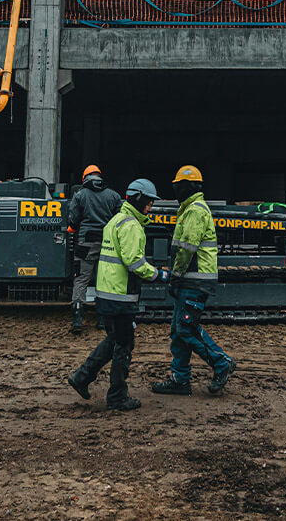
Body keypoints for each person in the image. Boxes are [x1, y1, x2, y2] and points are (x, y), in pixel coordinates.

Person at [66, 178, 169, 411]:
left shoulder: (116, 221)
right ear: (139, 199)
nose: (150, 208)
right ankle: (117, 397)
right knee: (124, 344)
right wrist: (159, 275)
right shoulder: (132, 225)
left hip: (107, 293)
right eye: (149, 203)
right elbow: (134, 263)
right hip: (121, 296)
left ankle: (82, 377)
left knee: (114, 339)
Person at [152, 165, 236, 396]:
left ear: (186, 186)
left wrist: (175, 276)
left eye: (177, 186)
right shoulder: (189, 209)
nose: (175, 189)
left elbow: (187, 248)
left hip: (194, 281)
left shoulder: (194, 211)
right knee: (179, 331)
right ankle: (180, 380)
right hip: (190, 280)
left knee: (186, 329)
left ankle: (221, 363)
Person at [65, 164, 122, 333]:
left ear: (85, 179)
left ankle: (77, 320)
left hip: (85, 244)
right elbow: (119, 220)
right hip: (107, 244)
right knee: (103, 281)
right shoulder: (114, 196)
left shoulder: (80, 195)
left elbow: (73, 221)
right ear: (100, 177)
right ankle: (102, 321)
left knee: (81, 279)